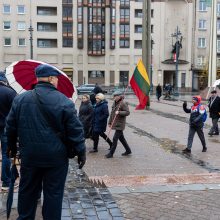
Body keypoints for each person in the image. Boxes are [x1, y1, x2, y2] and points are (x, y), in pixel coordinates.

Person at [6, 64, 86, 220]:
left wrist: (11, 149)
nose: (57, 81)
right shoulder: (64, 101)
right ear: (50, 78)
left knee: (27, 191)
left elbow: (10, 127)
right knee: (53, 194)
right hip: (56, 158)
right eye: (56, 78)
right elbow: (76, 131)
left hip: (30, 156)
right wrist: (81, 151)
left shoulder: (21, 99)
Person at [0, 72, 17, 191]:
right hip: (6, 126)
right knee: (6, 154)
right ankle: (5, 182)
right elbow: (15, 112)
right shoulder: (10, 92)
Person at [105, 90, 131, 158]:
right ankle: (128, 150)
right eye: (114, 96)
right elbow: (112, 113)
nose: (114, 97)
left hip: (120, 124)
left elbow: (127, 112)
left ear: (119, 96)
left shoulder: (123, 103)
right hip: (115, 123)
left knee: (115, 139)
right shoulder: (115, 102)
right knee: (121, 138)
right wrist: (110, 122)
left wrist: (119, 112)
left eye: (115, 96)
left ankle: (111, 153)